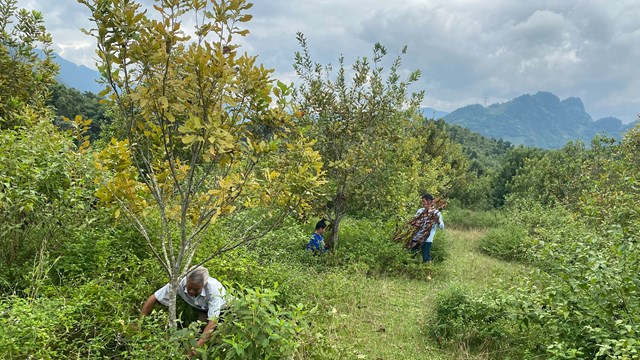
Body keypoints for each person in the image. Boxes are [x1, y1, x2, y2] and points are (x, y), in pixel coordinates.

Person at [141, 266, 227, 351]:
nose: (191, 291)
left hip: (226, 309)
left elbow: (213, 320)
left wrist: (196, 348)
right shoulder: (179, 282)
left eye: (196, 289)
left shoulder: (214, 290)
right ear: (186, 280)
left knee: (220, 338)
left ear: (203, 285)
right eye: (189, 287)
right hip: (204, 309)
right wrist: (139, 322)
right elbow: (155, 297)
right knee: (200, 330)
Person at [411, 194, 444, 267]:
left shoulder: (436, 213)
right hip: (416, 237)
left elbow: (441, 226)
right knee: (411, 255)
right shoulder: (420, 211)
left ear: (429, 201)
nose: (422, 203)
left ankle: (428, 273)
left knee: (426, 257)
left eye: (423, 201)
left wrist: (437, 220)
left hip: (427, 239)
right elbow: (414, 222)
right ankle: (407, 271)